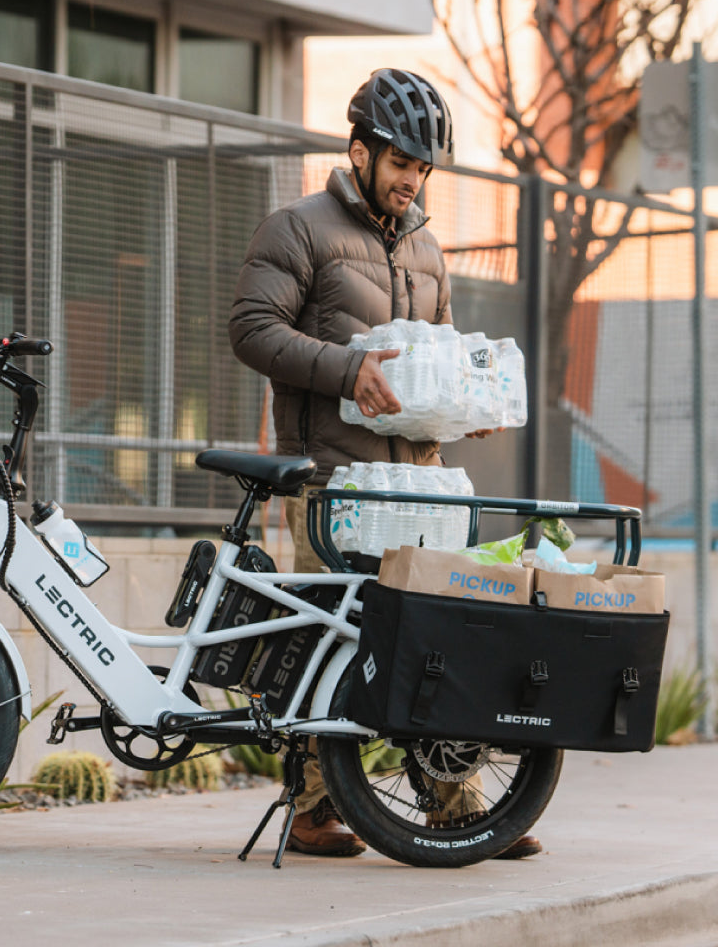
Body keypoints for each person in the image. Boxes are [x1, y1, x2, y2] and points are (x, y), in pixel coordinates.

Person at [228, 68, 542, 860]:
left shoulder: (430, 251)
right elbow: (251, 329)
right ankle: (312, 809)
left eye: (423, 168)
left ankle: (456, 805)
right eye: (401, 163)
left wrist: (464, 408)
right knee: (332, 641)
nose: (412, 181)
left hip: (421, 484)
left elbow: (437, 357)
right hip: (333, 482)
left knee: (434, 635)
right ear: (360, 150)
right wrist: (343, 370)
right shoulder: (297, 229)